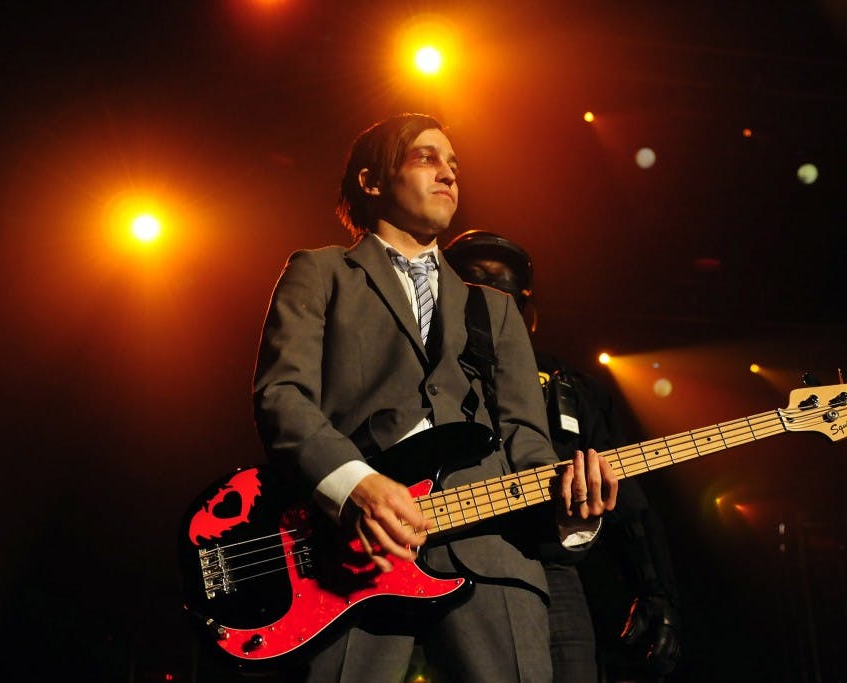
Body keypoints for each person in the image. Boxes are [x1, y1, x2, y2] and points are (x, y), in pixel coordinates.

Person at [251, 113, 618, 683]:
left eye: (454, 164)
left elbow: (527, 442)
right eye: (426, 158)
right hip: (355, 555)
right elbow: (282, 395)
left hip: (493, 555)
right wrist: (356, 485)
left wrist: (570, 510)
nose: (448, 173)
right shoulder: (320, 272)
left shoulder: (492, 310)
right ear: (372, 182)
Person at [443, 230, 682, 683]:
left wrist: (656, 591)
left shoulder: (568, 383)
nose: (495, 306)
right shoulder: (427, 371)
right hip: (439, 552)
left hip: (548, 562)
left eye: (507, 296)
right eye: (476, 288)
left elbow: (625, 494)